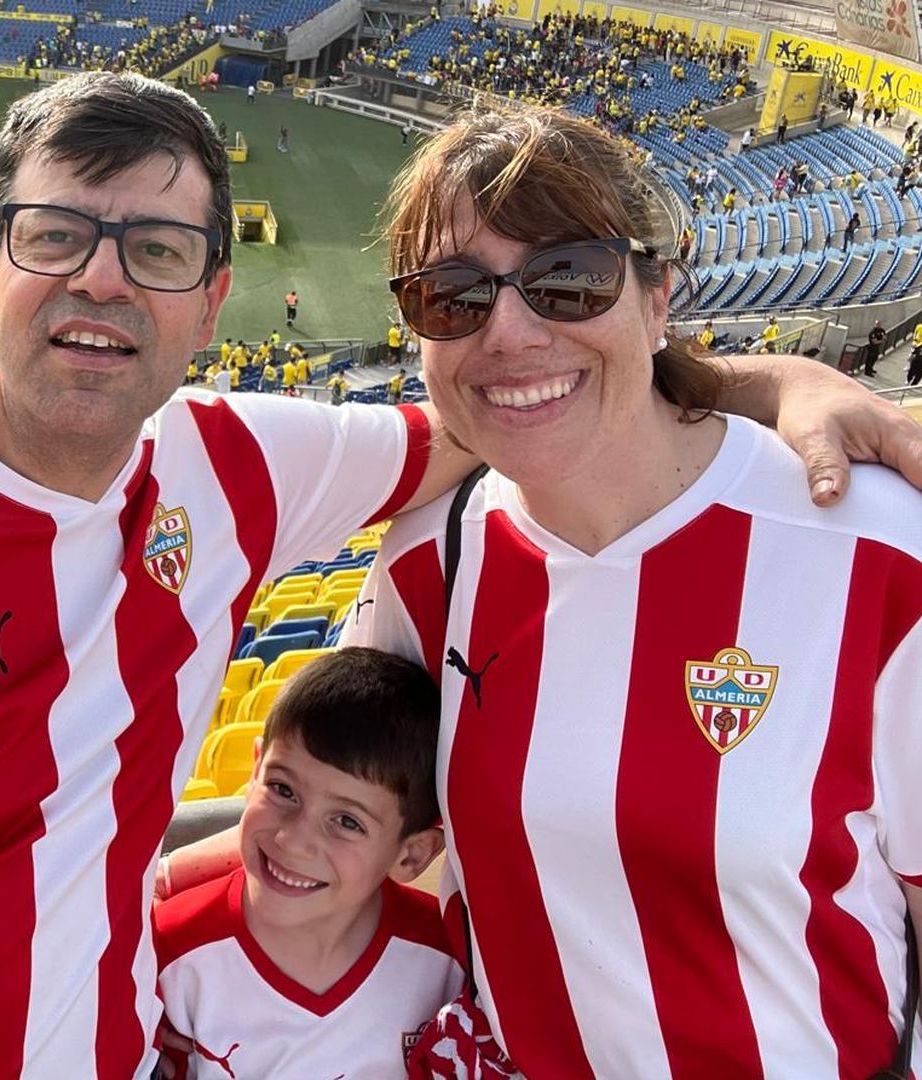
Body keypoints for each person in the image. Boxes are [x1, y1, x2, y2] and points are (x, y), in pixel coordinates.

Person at [0, 73, 906, 1080]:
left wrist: (760, 382)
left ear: (213, 301)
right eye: (59, 237)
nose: (103, 281)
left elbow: (513, 408)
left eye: (156, 249)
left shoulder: (226, 461)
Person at [173, 96, 922, 1079]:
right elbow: (315, 802)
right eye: (454, 297)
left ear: (658, 297)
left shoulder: (878, 555)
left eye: (567, 281)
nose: (512, 335)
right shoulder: (428, 557)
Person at [152, 649, 457, 1080]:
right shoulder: (164, 954)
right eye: (282, 789)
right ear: (255, 769)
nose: (292, 841)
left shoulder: (448, 961)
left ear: (412, 854)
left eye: (347, 821)